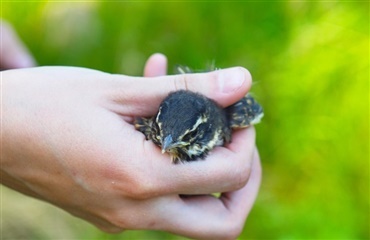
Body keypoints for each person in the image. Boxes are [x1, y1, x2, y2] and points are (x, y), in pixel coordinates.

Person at [0, 21, 262, 240]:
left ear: (204, 130)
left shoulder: (231, 115)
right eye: (160, 129)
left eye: (188, 136)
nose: (165, 144)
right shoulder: (152, 125)